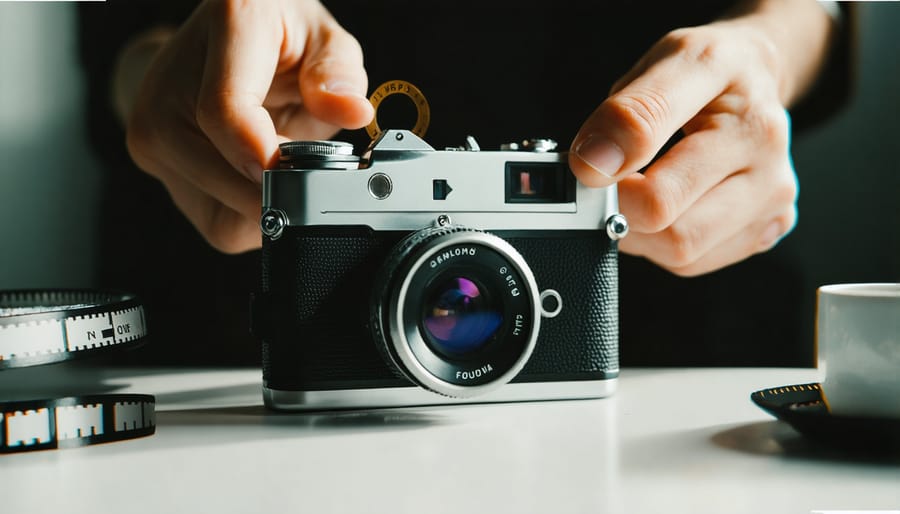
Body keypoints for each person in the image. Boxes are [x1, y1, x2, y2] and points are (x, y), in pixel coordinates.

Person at [78, 0, 850, 366]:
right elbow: (124, 42)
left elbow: (816, 13)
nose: (458, 302)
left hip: (679, 338)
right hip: (229, 356)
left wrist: (763, 54)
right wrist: (181, 83)